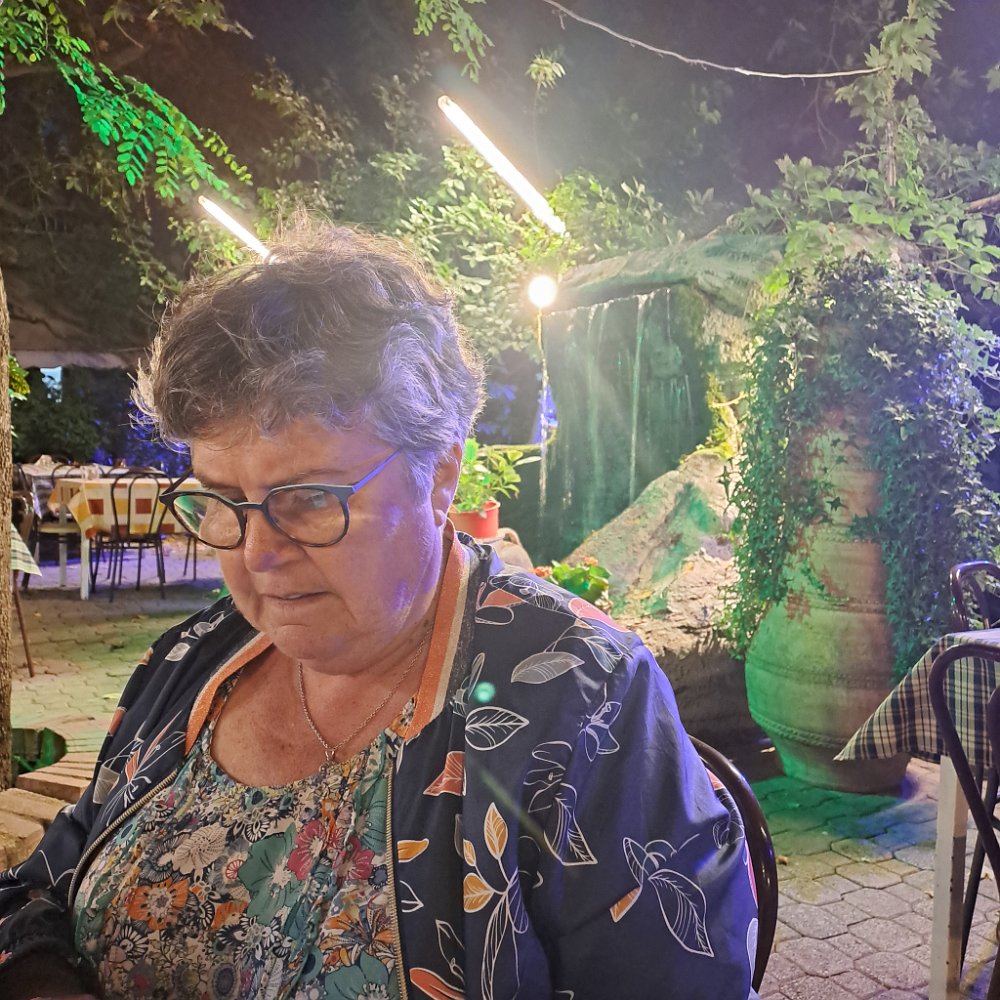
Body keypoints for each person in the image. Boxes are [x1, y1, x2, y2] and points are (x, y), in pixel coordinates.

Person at [0, 225, 760, 1000]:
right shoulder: (191, 661)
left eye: (309, 498)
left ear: (440, 476)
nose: (258, 552)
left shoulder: (584, 698)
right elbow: (36, 892)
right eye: (222, 500)